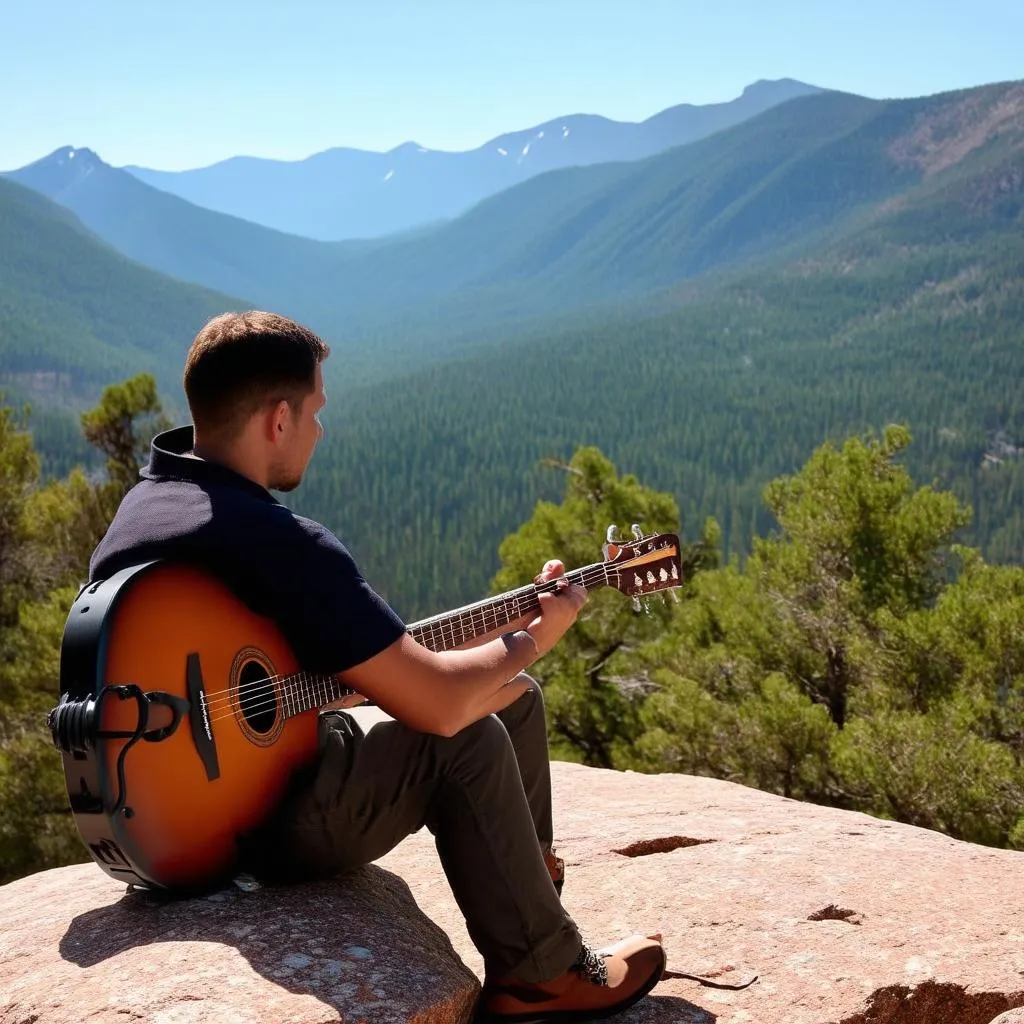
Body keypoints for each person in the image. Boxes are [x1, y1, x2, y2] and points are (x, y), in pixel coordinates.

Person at [88, 311, 666, 1022]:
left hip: (170, 819)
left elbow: (373, 667)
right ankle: (539, 974)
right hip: (262, 822)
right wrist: (539, 634)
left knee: (512, 697)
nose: (319, 430)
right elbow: (440, 706)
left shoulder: (143, 510)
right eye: (315, 412)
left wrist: (508, 636)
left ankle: (529, 892)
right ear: (277, 419)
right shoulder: (284, 543)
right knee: (470, 735)